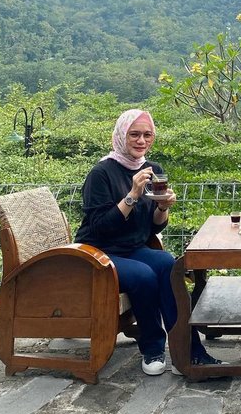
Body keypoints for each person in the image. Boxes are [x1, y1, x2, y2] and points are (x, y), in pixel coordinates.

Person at [75, 108, 221, 375]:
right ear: (121, 135)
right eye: (134, 134)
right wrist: (132, 195)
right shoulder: (101, 173)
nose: (141, 141)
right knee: (143, 276)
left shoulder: (153, 170)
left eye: (147, 135)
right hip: (99, 252)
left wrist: (163, 207)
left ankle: (187, 351)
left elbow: (155, 225)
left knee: (169, 264)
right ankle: (153, 348)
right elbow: (100, 228)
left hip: (134, 248)